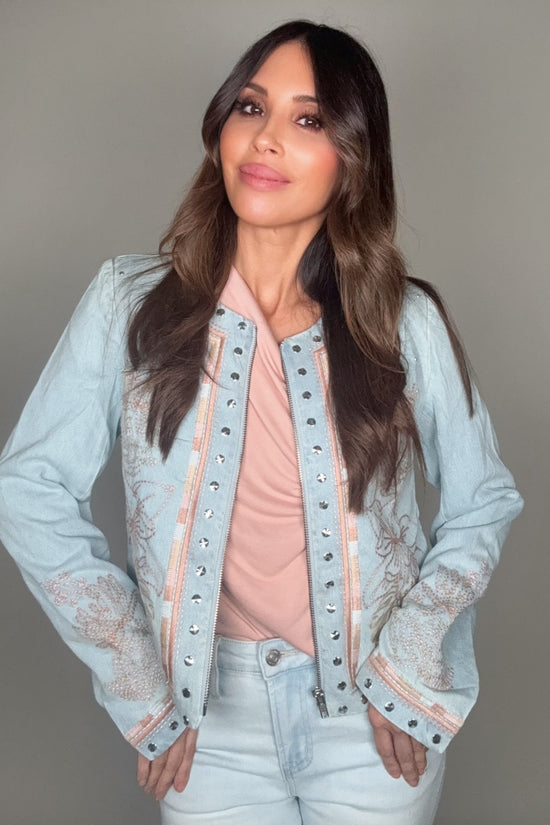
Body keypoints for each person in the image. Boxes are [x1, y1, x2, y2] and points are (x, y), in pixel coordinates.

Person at [0, 19, 523, 825]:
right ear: (220, 129)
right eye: (251, 107)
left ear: (352, 157)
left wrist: (409, 667)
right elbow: (27, 488)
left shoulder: (400, 320)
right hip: (204, 721)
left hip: (371, 718)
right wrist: (137, 678)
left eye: (308, 120)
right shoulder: (127, 303)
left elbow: (482, 499)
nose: (267, 139)